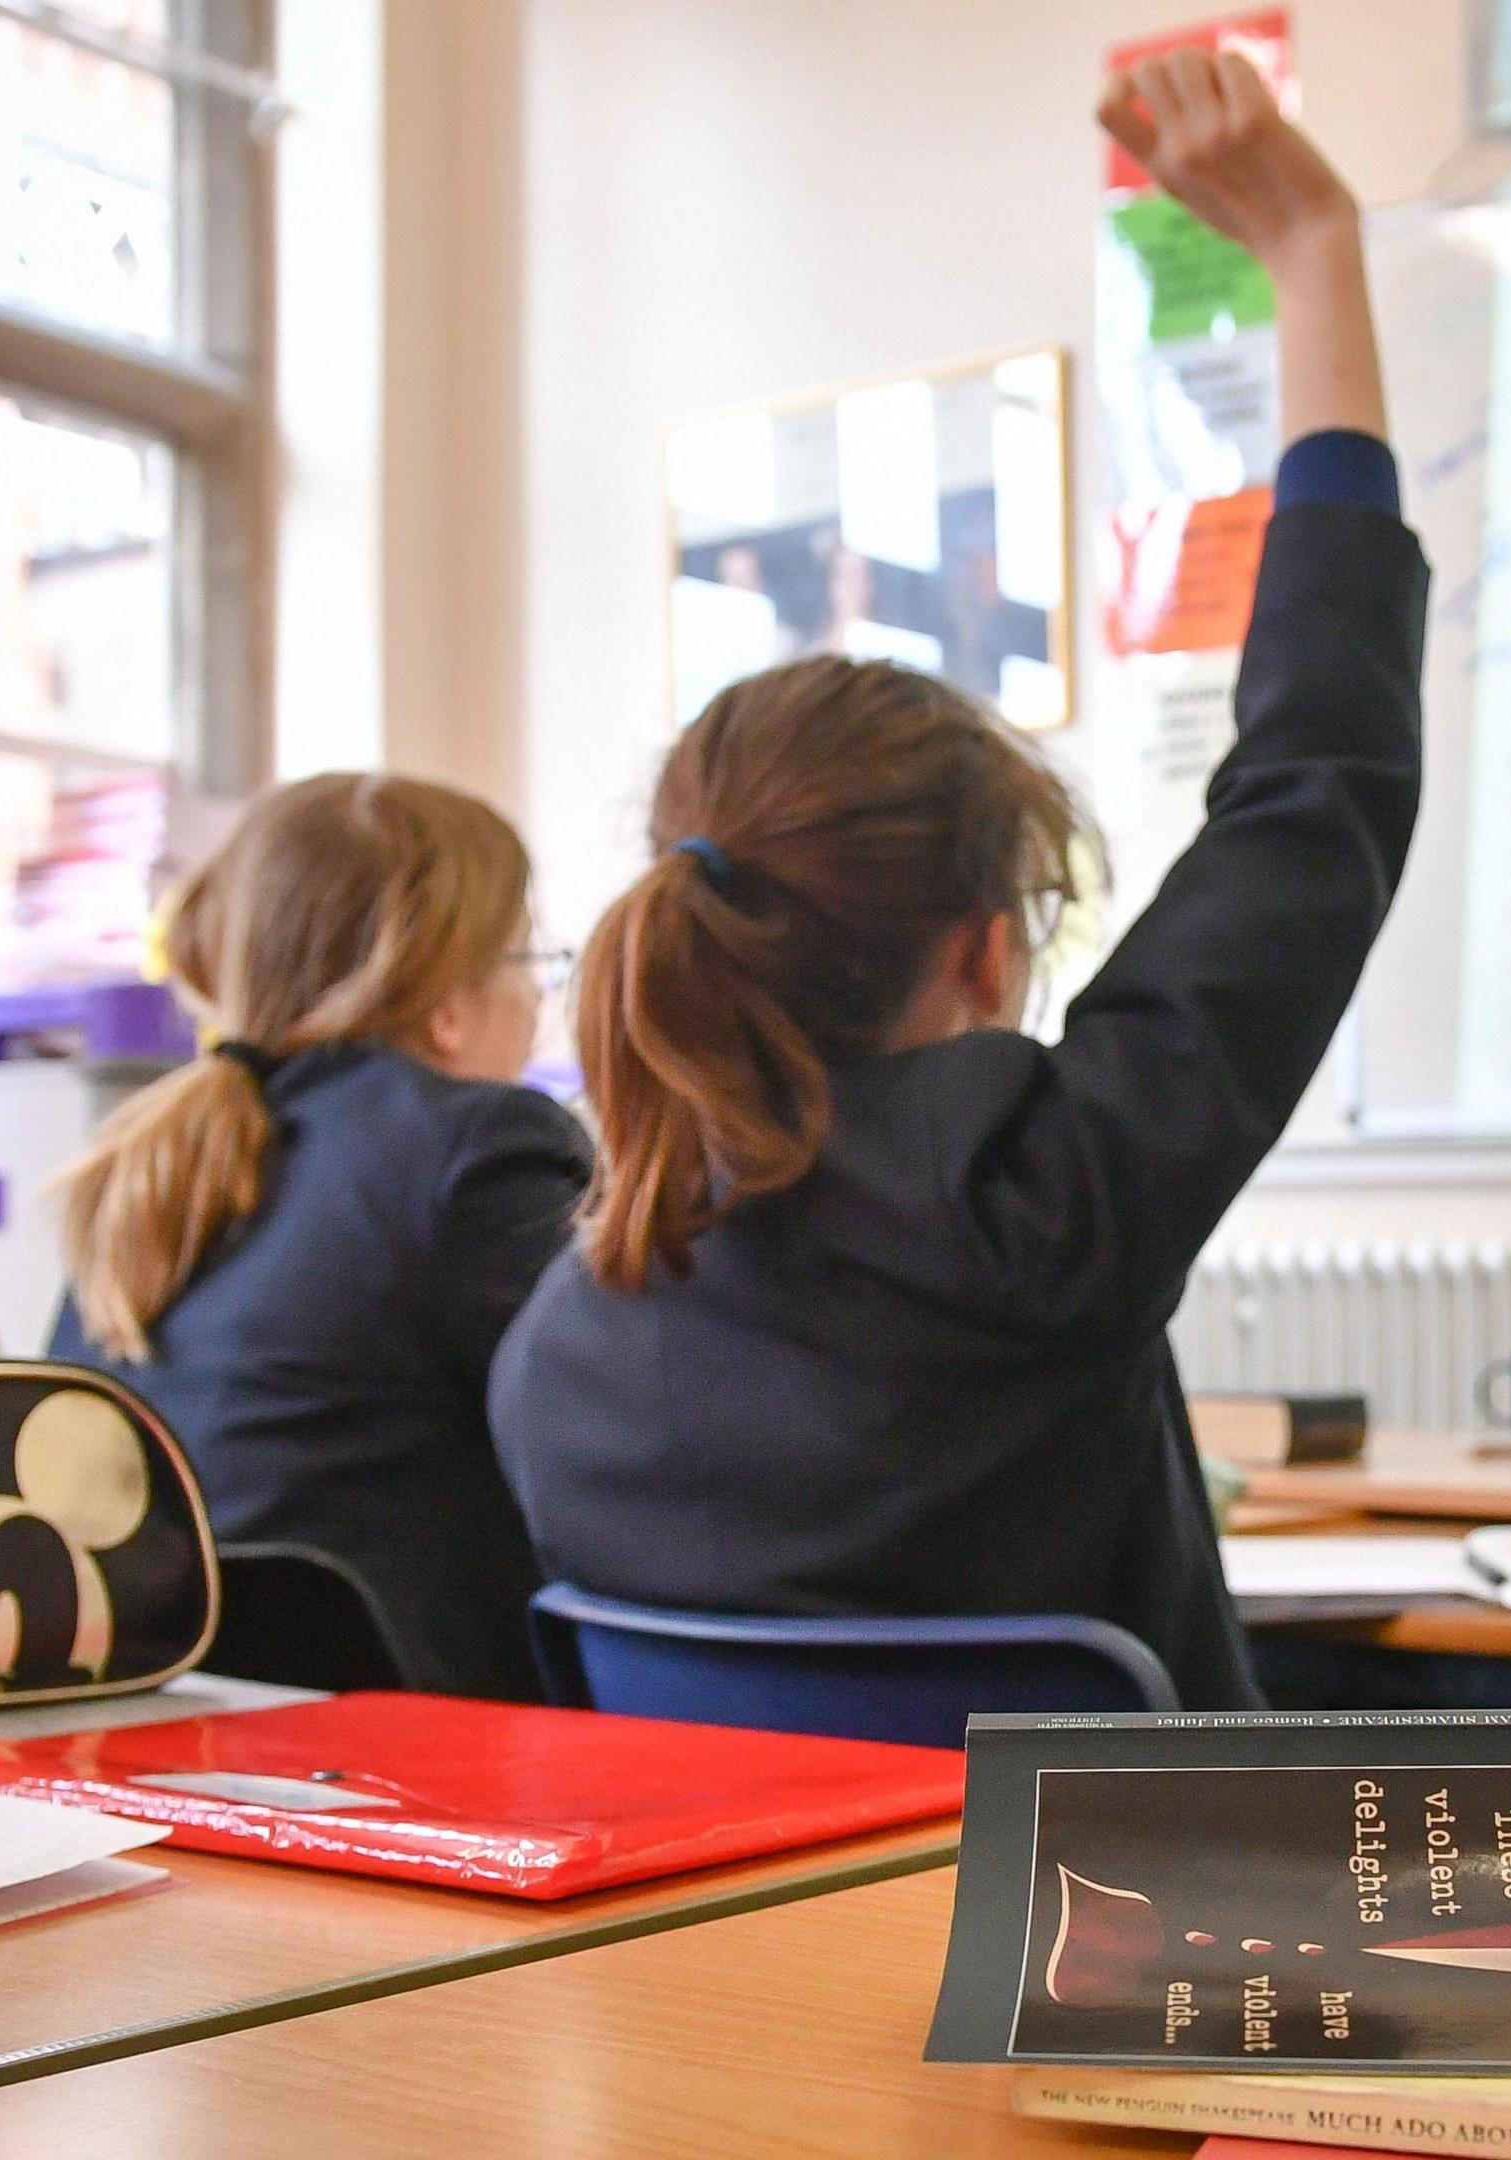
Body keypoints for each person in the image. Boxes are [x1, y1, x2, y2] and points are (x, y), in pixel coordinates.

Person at [490, 49, 1421, 1712]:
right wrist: (1313, 251)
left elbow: (1311, 787)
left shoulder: (560, 1341)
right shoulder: (1044, 1208)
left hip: (724, 1976)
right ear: (985, 956)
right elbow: (1319, 780)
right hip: (1129, 1965)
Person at [50, 775, 587, 1701]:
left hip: (171, 1723)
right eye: (530, 960)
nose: (538, 1002)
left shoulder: (145, 1167)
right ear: (449, 1008)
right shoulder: (480, 1145)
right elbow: (605, 1453)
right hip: (421, 1748)